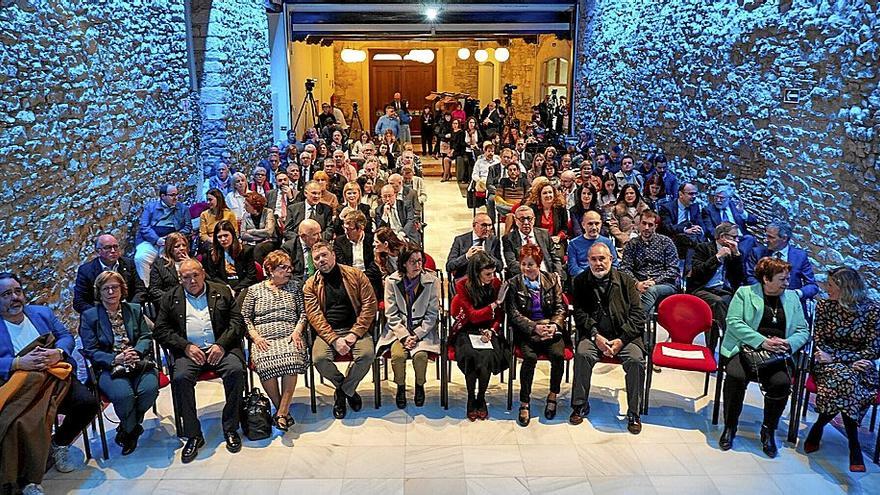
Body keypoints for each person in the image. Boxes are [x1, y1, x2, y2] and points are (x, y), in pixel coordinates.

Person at [0, 273, 99, 487]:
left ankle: (59, 443)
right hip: (21, 386)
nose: (14, 297)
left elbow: (65, 336)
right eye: (6, 294)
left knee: (88, 404)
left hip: (56, 377)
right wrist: (17, 363)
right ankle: (27, 481)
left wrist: (59, 353)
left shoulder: (41, 313)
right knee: (21, 423)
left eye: (18, 291)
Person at [153, 259, 247, 463]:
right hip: (189, 352)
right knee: (180, 378)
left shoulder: (221, 291)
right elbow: (161, 330)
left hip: (221, 348)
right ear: (180, 279)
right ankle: (193, 435)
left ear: (203, 273)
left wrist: (221, 344)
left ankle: (231, 427)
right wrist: (185, 346)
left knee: (236, 370)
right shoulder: (171, 298)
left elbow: (237, 322)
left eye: (195, 275)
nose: (192, 280)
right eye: (186, 277)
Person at [719, 257, 809, 458]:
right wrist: (762, 341)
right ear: (766, 279)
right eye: (782, 279)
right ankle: (730, 426)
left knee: (782, 384)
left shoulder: (793, 297)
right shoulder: (745, 293)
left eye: (787, 279)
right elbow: (733, 322)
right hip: (745, 349)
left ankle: (768, 430)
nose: (787, 283)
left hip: (777, 355)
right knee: (735, 377)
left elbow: (803, 330)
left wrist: (789, 343)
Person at [803, 267, 880, 471]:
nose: (826, 289)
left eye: (831, 285)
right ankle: (854, 446)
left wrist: (841, 358)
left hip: (860, 365)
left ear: (845, 288)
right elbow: (819, 341)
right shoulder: (824, 306)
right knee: (847, 381)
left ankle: (819, 426)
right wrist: (836, 359)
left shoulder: (872, 310)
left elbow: (873, 349)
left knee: (848, 380)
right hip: (827, 363)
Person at [569, 243, 646, 434]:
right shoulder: (580, 281)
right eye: (593, 259)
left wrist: (621, 340)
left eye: (602, 258)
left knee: (636, 360)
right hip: (594, 335)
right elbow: (579, 315)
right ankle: (579, 404)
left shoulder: (627, 281)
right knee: (582, 354)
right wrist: (596, 336)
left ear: (611, 259)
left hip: (625, 337)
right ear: (588, 261)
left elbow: (638, 315)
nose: (598, 263)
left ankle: (634, 412)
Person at [79, 271, 159, 455]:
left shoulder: (134, 310)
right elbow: (90, 350)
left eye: (114, 287)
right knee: (124, 396)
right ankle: (132, 431)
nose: (110, 292)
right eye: (105, 288)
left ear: (122, 290)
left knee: (149, 390)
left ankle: (126, 428)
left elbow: (146, 336)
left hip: (138, 361)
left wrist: (136, 351)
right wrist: (115, 358)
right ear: (99, 292)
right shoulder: (90, 316)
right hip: (109, 367)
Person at [304, 241, 378, 419]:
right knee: (319, 359)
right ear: (314, 263)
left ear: (333, 255)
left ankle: (342, 393)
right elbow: (315, 316)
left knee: (367, 355)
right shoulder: (310, 285)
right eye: (317, 258)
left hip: (355, 329)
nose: (321, 260)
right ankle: (347, 389)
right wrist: (334, 339)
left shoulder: (356, 275)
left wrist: (355, 333)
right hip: (328, 333)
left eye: (324, 255)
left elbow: (370, 305)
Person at [241, 250, 308, 432]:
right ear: (270, 269)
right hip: (263, 338)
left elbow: (303, 313)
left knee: (291, 360)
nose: (288, 271)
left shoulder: (295, 287)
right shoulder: (254, 290)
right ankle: (282, 411)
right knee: (264, 364)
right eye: (283, 268)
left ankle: (281, 413)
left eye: (290, 268)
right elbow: (245, 317)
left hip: (289, 335)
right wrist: (255, 337)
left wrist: (297, 331)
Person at [506, 244, 568, 426]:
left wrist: (554, 325)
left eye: (530, 264)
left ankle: (552, 395)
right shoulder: (513, 283)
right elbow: (514, 313)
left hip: (549, 328)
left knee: (558, 355)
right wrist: (534, 327)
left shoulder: (551, 280)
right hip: (527, 332)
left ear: (539, 264)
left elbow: (560, 307)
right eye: (523, 264)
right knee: (530, 358)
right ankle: (524, 402)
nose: (526, 268)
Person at [376, 244, 441, 408]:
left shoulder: (432, 281)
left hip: (423, 331)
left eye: (420, 261)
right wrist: (404, 336)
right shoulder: (391, 281)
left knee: (420, 356)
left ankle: (420, 387)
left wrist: (417, 334)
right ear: (404, 263)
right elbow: (390, 313)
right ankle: (401, 387)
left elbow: (432, 314)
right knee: (397, 356)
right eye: (413, 262)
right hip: (399, 331)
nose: (418, 265)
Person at [449, 252, 508, 421]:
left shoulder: (496, 283)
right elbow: (473, 315)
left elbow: (499, 316)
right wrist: (495, 304)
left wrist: (492, 330)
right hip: (467, 329)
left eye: (493, 273)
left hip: (488, 329)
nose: (492, 277)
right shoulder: (462, 285)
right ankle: (470, 398)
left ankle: (481, 397)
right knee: (471, 356)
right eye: (487, 274)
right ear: (476, 272)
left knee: (487, 357)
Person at [687, 222, 745, 341]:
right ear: (723, 236)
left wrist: (737, 256)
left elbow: (739, 279)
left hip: (723, 290)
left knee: (738, 302)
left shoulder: (735, 251)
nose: (737, 240)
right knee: (718, 302)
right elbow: (698, 272)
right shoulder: (703, 248)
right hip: (702, 289)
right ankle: (724, 340)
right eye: (734, 237)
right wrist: (717, 257)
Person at [621, 210, 680, 318]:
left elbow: (673, 269)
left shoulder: (666, 242)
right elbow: (625, 268)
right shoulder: (632, 244)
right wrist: (636, 283)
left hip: (664, 284)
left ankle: (636, 321)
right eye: (644, 223)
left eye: (650, 225)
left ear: (655, 226)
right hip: (638, 283)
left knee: (651, 290)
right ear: (639, 224)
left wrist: (654, 282)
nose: (646, 227)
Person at [745, 220, 818, 302]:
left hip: (791, 304)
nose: (766, 240)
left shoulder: (800, 257)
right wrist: (765, 291)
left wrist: (796, 294)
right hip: (762, 301)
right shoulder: (757, 253)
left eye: (771, 237)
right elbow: (749, 277)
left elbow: (812, 286)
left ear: (784, 238)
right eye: (766, 236)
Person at [134, 184, 192, 286]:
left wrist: (173, 238)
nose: (176, 197)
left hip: (172, 242)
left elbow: (188, 227)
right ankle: (146, 288)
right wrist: (157, 240)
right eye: (172, 195)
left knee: (166, 263)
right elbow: (144, 227)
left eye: (177, 194)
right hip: (151, 241)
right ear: (162, 196)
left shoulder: (183, 209)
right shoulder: (150, 207)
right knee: (140, 258)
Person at [73, 233, 146, 314]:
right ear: (98, 251)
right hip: (100, 315)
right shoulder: (86, 270)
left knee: (150, 326)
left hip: (129, 311)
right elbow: (79, 301)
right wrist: (98, 314)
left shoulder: (128, 264)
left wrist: (130, 308)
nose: (113, 251)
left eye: (115, 247)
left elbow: (141, 290)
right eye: (108, 248)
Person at [502, 205, 564, 281]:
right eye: (522, 219)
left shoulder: (544, 234)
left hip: (548, 276)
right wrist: (533, 272)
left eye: (529, 218)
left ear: (534, 219)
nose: (526, 222)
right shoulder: (508, 239)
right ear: (516, 220)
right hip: (523, 278)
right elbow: (512, 264)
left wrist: (557, 275)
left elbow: (555, 258)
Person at [201, 220, 258, 299]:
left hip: (243, 286)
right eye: (219, 237)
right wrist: (226, 288)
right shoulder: (211, 254)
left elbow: (251, 275)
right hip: (223, 286)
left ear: (232, 235)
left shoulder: (246, 251)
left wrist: (235, 289)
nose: (223, 239)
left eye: (226, 235)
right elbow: (212, 276)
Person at [446, 213, 503, 280]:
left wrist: (487, 254)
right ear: (474, 225)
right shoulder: (460, 240)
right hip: (466, 279)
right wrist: (466, 256)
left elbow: (500, 267)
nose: (487, 229)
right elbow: (449, 266)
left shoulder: (494, 241)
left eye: (490, 225)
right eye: (484, 225)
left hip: (487, 280)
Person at [567, 211, 618, 278]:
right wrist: (588, 277)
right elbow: (572, 267)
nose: (594, 227)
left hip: (605, 278)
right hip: (583, 279)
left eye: (597, 223)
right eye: (590, 224)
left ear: (601, 224)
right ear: (583, 225)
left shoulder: (608, 242)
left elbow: (614, 264)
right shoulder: (573, 244)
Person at [148, 232, 190, 304]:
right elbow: (154, 290)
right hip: (170, 303)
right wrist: (173, 300)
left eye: (184, 245)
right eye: (177, 246)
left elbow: (205, 282)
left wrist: (190, 264)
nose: (182, 248)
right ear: (170, 249)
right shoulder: (159, 265)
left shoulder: (194, 263)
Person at [607, 184, 650, 248]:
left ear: (636, 194)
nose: (629, 195)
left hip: (642, 241)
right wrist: (624, 238)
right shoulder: (617, 209)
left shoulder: (644, 208)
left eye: (631, 193)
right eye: (626, 193)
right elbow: (613, 226)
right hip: (624, 243)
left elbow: (649, 225)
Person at [239, 192, 277, 264]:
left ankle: (259, 272)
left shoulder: (268, 212)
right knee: (244, 250)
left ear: (254, 206)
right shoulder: (246, 215)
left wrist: (252, 231)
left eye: (246, 205)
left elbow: (269, 232)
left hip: (270, 241)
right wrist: (258, 238)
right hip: (253, 242)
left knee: (258, 248)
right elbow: (243, 234)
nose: (244, 207)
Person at [198, 188, 238, 254]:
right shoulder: (204, 215)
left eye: (210, 200)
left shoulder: (229, 214)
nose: (208, 202)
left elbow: (235, 232)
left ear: (218, 199)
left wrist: (223, 240)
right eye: (207, 200)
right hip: (211, 242)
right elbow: (203, 234)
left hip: (227, 240)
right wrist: (214, 240)